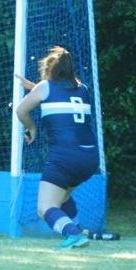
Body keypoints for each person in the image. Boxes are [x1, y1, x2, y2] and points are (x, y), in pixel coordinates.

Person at [15, 46, 100, 249]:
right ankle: (77, 228)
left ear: (50, 69)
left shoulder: (45, 87)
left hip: (64, 158)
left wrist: (31, 128)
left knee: (45, 207)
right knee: (63, 197)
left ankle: (73, 233)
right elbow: (61, 98)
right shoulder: (83, 89)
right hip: (89, 157)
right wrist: (35, 88)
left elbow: (21, 111)